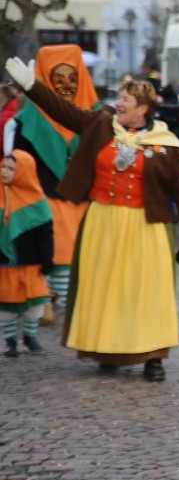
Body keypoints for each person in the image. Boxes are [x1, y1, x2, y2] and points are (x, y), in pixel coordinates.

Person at [4, 58, 179, 381]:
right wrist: (31, 86)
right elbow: (61, 111)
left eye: (126, 100)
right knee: (104, 289)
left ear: (143, 109)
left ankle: (153, 357)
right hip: (103, 221)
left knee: (147, 292)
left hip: (146, 227)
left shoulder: (167, 146)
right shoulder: (101, 124)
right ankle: (107, 350)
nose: (118, 104)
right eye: (119, 98)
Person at [10, 45, 95, 321]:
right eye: (58, 79)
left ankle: (65, 301)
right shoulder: (29, 118)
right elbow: (20, 159)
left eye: (72, 78)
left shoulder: (94, 112)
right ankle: (49, 298)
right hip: (48, 196)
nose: (66, 86)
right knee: (54, 249)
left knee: (76, 253)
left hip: (84, 197)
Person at [0, 151, 53, 357]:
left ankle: (30, 337)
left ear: (24, 171)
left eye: (11, 168)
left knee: (35, 302)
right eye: (3, 166)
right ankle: (10, 341)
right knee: (6, 304)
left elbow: (45, 235)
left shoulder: (36, 200)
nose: (4, 171)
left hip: (31, 263)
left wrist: (46, 259)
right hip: (4, 264)